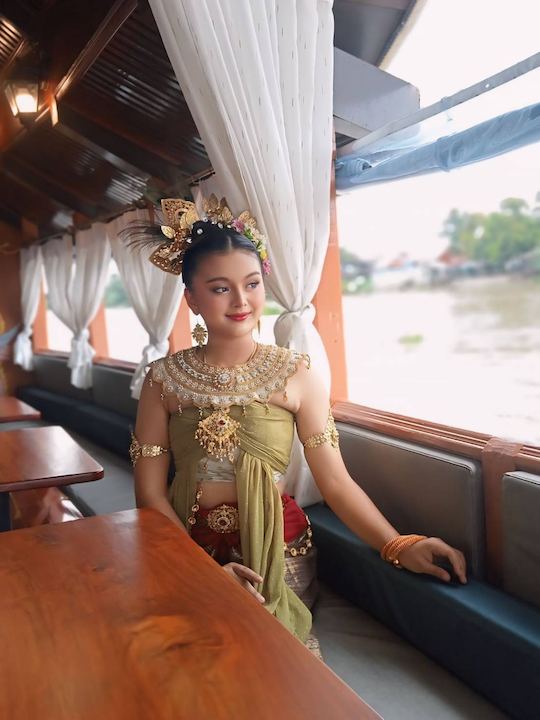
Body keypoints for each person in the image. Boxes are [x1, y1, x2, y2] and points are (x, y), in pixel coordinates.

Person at [127, 196, 467, 652]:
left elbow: (336, 483)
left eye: (251, 283)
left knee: (262, 657)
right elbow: (149, 493)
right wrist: (198, 571)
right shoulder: (162, 379)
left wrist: (399, 545)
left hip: (278, 551)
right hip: (187, 547)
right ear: (192, 297)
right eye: (220, 288)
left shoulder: (297, 373)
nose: (242, 300)